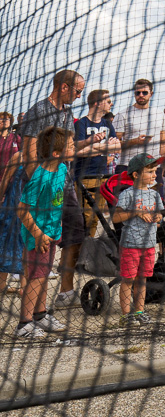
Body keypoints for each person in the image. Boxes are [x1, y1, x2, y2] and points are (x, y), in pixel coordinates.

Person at [19, 70, 86, 312]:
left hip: (63, 181)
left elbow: (68, 146)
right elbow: (28, 152)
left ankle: (64, 292)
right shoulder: (39, 111)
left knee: (75, 231)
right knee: (38, 249)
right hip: (45, 185)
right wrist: (40, 184)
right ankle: (31, 313)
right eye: (78, 90)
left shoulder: (67, 112)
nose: (80, 96)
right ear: (64, 87)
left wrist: (93, 144)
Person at [14, 126, 72, 339]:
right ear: (56, 153)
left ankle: (40, 315)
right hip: (37, 235)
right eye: (70, 145)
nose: (73, 147)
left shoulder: (62, 168)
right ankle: (24, 324)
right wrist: (38, 234)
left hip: (53, 231)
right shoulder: (40, 176)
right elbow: (22, 209)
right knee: (36, 277)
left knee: (44, 275)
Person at [112, 153, 164, 326]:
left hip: (149, 244)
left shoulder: (155, 195)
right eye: (150, 171)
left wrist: (157, 217)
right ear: (136, 174)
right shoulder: (127, 195)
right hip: (131, 244)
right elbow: (116, 218)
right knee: (128, 280)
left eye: (155, 171)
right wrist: (136, 212)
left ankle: (139, 311)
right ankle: (126, 315)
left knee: (142, 279)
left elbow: (160, 215)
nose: (154, 175)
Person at [72, 90, 121, 257]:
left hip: (102, 176)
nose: (111, 104)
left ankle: (86, 253)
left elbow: (117, 146)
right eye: (108, 101)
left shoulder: (107, 124)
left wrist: (95, 149)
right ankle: (79, 252)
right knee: (85, 216)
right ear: (97, 103)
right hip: (84, 176)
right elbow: (77, 149)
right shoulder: (82, 124)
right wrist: (95, 145)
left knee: (96, 217)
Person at [0, 111, 24, 294]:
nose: (4, 120)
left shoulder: (17, 138)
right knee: (5, 232)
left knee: (16, 233)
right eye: (1, 118)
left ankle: (21, 281)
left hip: (15, 186)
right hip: (5, 184)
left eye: (6, 118)